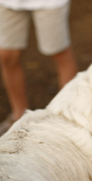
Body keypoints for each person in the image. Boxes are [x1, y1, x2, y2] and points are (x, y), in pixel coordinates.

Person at [0, 0, 77, 135]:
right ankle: (18, 116)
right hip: (8, 3)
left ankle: (70, 117)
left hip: (49, 3)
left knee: (59, 52)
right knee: (7, 55)